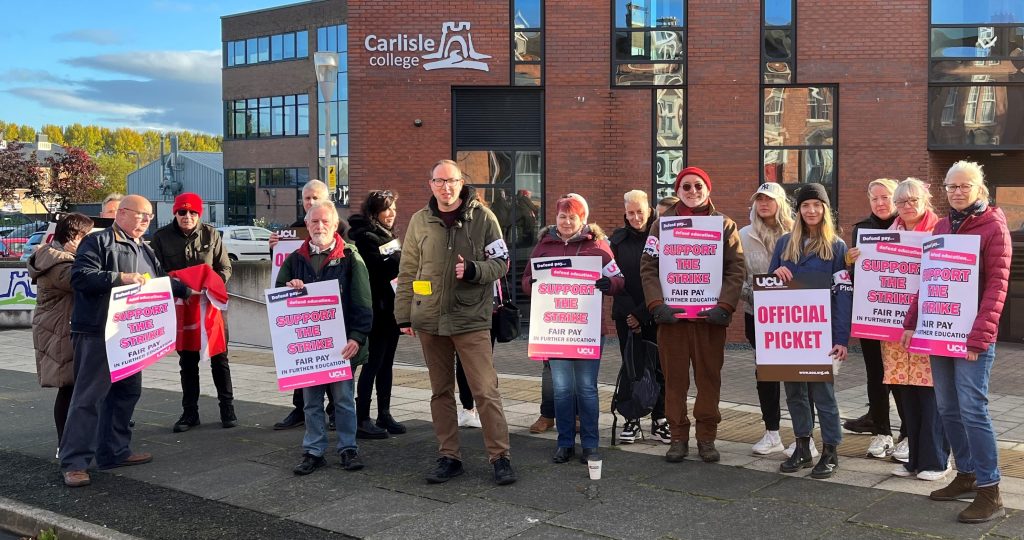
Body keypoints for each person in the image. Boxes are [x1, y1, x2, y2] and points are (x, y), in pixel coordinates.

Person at [394, 159, 517, 486]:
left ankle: (500, 456)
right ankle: (449, 456)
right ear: (431, 184)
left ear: (462, 183)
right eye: (439, 181)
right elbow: (408, 271)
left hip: (470, 319)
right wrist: (404, 315)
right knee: (440, 392)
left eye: (451, 181)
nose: (445, 187)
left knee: (485, 391)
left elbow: (502, 263)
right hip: (429, 320)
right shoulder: (420, 221)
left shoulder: (484, 218)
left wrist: (476, 270)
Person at [900, 161, 1010, 523]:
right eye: (951, 186)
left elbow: (997, 284)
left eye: (965, 186)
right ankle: (965, 474)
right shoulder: (944, 226)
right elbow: (929, 279)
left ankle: (990, 490)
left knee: (972, 408)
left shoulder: (993, 225)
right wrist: (912, 321)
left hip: (971, 336)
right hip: (938, 331)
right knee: (947, 406)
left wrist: (980, 336)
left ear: (981, 188)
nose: (958, 192)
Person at [59, 195, 190, 487]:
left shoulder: (144, 247)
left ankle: (114, 451)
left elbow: (157, 281)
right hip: (97, 331)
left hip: (129, 336)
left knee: (127, 393)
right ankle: (74, 463)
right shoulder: (97, 243)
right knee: (88, 398)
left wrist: (186, 291)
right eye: (141, 215)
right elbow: (80, 278)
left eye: (150, 216)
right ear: (122, 213)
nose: (147, 220)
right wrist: (120, 278)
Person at [640, 167, 746, 463]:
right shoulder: (661, 226)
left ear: (708, 189)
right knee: (674, 381)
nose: (693, 191)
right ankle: (677, 437)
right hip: (672, 319)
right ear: (679, 189)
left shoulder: (724, 225)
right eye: (686, 186)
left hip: (709, 320)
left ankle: (706, 438)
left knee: (709, 379)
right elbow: (648, 267)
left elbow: (735, 268)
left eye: (698, 186)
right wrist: (657, 305)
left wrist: (724, 307)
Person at [522, 193, 625, 463]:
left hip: (587, 330)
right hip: (556, 330)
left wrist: (609, 285)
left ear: (583, 219)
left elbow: (619, 280)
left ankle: (590, 443)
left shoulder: (599, 247)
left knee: (587, 388)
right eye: (562, 216)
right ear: (555, 218)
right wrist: (532, 284)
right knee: (562, 390)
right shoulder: (544, 246)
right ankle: (564, 442)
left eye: (573, 216)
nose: (567, 221)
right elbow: (526, 280)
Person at [277, 201, 373, 475]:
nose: (319, 226)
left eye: (324, 222)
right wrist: (289, 287)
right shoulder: (296, 259)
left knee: (343, 399)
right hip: (309, 348)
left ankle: (348, 448)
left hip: (340, 346)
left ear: (334, 225)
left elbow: (362, 302)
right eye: (314, 222)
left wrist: (357, 337)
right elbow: (278, 298)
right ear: (307, 225)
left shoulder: (350, 257)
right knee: (311, 401)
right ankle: (313, 450)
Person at [770, 183, 851, 480]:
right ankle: (802, 445)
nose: (812, 210)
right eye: (806, 206)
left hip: (822, 334)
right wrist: (774, 275)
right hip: (790, 334)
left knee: (823, 394)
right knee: (794, 393)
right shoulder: (783, 244)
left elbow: (844, 294)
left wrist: (842, 339)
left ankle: (831, 450)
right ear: (798, 210)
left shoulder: (837, 247)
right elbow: (769, 291)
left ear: (825, 210)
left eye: (817, 205)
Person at [150, 193, 235, 432]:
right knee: (187, 361)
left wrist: (213, 284)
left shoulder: (211, 234)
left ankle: (227, 408)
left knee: (220, 358)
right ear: (174, 213)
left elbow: (225, 266)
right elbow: (155, 272)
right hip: (180, 307)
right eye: (182, 212)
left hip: (210, 306)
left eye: (193, 213)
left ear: (200, 214)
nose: (187, 217)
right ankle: (190, 413)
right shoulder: (161, 238)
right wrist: (181, 286)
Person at [882, 178, 949, 482]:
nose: (907, 206)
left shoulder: (940, 231)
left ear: (925, 201)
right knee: (906, 393)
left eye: (913, 200)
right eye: (901, 202)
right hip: (894, 328)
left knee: (930, 394)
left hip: (928, 324)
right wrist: (857, 260)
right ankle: (914, 460)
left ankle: (935, 460)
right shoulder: (888, 234)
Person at [270, 179, 349, 433]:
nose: (311, 203)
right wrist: (273, 249)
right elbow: (282, 273)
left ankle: (336, 415)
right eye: (307, 199)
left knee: (337, 376)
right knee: (303, 365)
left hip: (335, 318)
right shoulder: (294, 229)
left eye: (317, 198)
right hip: (303, 317)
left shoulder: (343, 229)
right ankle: (300, 411)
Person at [844, 179, 908, 461]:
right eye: (875, 199)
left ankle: (908, 433)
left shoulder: (910, 228)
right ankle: (882, 432)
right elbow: (855, 277)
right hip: (871, 315)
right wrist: (850, 262)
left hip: (901, 318)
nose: (881, 203)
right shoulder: (861, 230)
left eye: (886, 197)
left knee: (903, 377)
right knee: (876, 375)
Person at [738, 182, 799, 456]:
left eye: (769, 199)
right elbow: (736, 277)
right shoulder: (743, 235)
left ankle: (802, 434)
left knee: (797, 374)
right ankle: (772, 432)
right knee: (766, 374)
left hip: (794, 316)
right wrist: (754, 294)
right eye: (759, 199)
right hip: (757, 314)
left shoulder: (797, 232)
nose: (763, 204)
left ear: (780, 203)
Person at [28, 213, 93, 453]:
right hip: (59, 330)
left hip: (60, 327)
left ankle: (71, 442)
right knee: (69, 387)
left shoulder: (56, 257)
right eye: (88, 236)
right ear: (75, 237)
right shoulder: (61, 264)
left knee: (74, 387)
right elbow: (84, 283)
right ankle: (64, 444)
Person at [610, 190, 670, 444]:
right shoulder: (617, 240)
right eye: (631, 212)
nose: (635, 217)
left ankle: (660, 418)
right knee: (631, 367)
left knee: (660, 367)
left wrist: (643, 312)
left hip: (656, 312)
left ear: (649, 210)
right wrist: (630, 314)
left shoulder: (662, 237)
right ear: (625, 212)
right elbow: (613, 279)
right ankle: (631, 420)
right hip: (625, 315)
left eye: (640, 212)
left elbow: (667, 277)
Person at [349, 189, 406, 436]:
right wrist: (400, 261)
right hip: (375, 311)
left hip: (391, 310)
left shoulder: (388, 236)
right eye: (386, 208)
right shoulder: (365, 238)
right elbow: (379, 271)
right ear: (374, 212)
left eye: (393, 208)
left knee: (387, 364)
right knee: (372, 364)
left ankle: (385, 414)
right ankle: (362, 418)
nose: (391, 213)